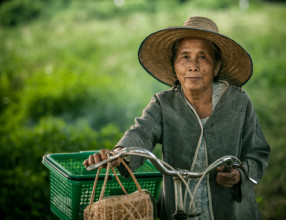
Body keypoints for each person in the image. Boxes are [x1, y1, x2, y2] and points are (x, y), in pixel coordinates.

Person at [83, 16, 270, 220]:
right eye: (185, 57)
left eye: (203, 57)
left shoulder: (238, 102)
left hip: (231, 212)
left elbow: (258, 152)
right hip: (177, 209)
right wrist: (118, 155)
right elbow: (141, 131)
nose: (193, 66)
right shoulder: (163, 103)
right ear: (174, 65)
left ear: (216, 67)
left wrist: (238, 175)